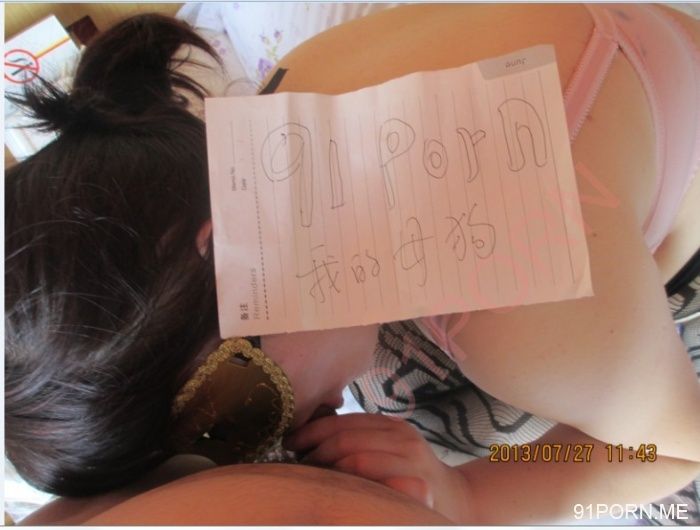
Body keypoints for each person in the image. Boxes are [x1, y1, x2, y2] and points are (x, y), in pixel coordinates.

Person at [5, 4, 700, 524]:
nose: (285, 441)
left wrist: (469, 496)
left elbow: (669, 454)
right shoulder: (288, 101)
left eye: (240, 418)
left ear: (234, 250)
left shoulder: (518, 324)